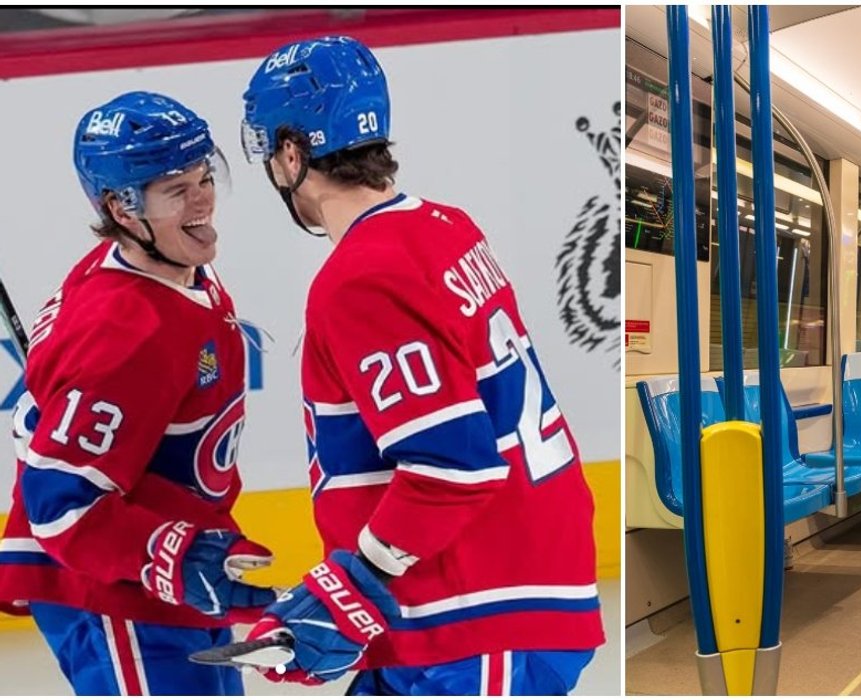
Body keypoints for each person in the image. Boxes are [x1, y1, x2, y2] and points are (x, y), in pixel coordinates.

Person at [238, 37, 605, 695]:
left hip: (479, 614)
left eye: (270, 152)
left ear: (291, 154)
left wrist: (349, 586)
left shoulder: (360, 276)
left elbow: (451, 463)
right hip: (480, 599)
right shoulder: (443, 225)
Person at [0, 92, 275, 695]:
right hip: (111, 590)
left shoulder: (170, 264)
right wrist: (172, 555)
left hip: (161, 578)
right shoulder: (125, 330)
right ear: (121, 208)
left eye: (205, 176)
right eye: (178, 190)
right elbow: (59, 500)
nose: (203, 199)